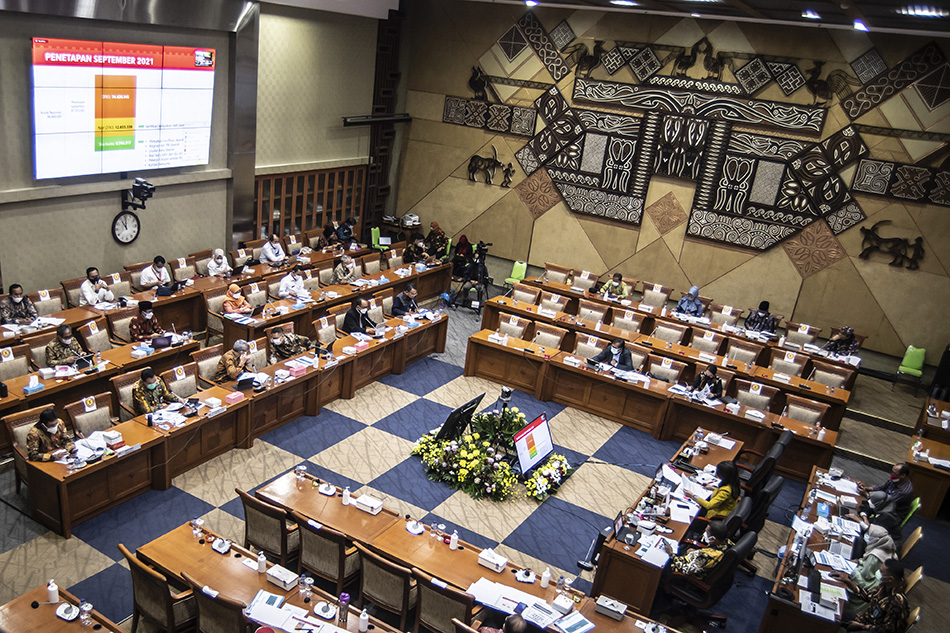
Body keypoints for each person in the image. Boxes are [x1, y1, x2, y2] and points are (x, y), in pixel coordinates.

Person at [832, 521, 898, 619]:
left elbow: (864, 580)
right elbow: (864, 561)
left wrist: (851, 571)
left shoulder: (875, 556)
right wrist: (857, 561)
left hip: (860, 604)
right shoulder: (886, 547)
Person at [838, 559, 909, 633]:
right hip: (867, 620)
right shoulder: (884, 586)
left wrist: (862, 626)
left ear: (890, 579)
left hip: (873, 630)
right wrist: (848, 581)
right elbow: (867, 596)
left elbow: (887, 630)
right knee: (837, 613)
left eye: (881, 571)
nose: (878, 572)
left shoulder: (896, 602)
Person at [662, 519, 733, 580]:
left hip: (686, 574)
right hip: (696, 562)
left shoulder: (706, 556)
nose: (704, 534)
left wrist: (671, 554)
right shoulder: (727, 543)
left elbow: (685, 570)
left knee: (660, 564)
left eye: (706, 533)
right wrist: (696, 552)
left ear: (713, 539)